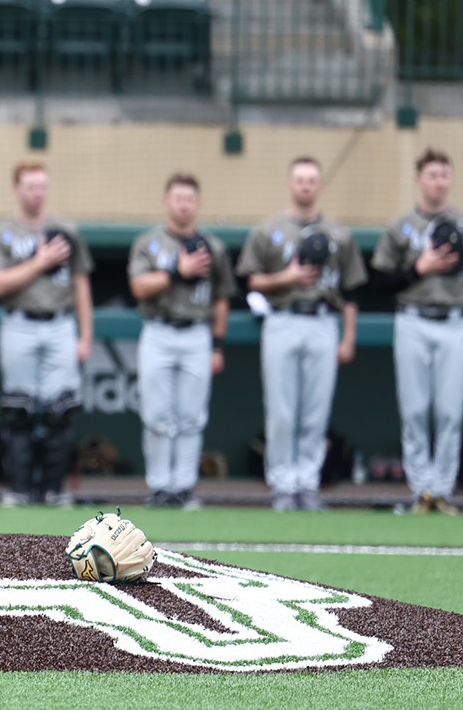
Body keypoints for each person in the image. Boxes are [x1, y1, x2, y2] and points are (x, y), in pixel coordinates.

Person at [236, 156, 366, 512]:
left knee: (315, 410)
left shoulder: (338, 234)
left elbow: (351, 290)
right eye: (300, 179)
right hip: (282, 318)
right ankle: (282, 484)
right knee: (281, 409)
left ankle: (308, 483)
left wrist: (349, 336)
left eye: (312, 179)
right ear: (290, 183)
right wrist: (288, 277)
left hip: (323, 319)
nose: (306, 185)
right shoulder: (269, 230)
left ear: (320, 186)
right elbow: (251, 281)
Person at [369, 149, 463, 516]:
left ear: (451, 179)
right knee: (415, 409)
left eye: (444, 175)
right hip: (413, 318)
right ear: (420, 178)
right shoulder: (402, 225)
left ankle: (443, 490)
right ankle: (421, 489)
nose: (438, 181)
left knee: (450, 411)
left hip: (454, 321)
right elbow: (380, 279)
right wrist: (418, 268)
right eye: (432, 174)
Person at [0, 162, 92, 507]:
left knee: (61, 407)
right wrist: (39, 262)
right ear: (17, 189)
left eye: (42, 186)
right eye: (31, 186)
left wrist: (86, 335)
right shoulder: (3, 234)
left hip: (60, 323)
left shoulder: (66, 231)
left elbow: (81, 285)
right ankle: (19, 488)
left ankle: (55, 488)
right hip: (19, 322)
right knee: (19, 408)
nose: (37, 192)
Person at [127, 173, 233, 510]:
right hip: (158, 329)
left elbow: (222, 298)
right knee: (157, 415)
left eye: (189, 198)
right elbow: (139, 287)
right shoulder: (150, 242)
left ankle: (184, 487)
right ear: (166, 201)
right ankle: (159, 486)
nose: (184, 204)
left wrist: (217, 344)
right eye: (178, 198)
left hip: (197, 334)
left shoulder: (213, 247)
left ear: (198, 203)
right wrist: (177, 270)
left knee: (190, 416)